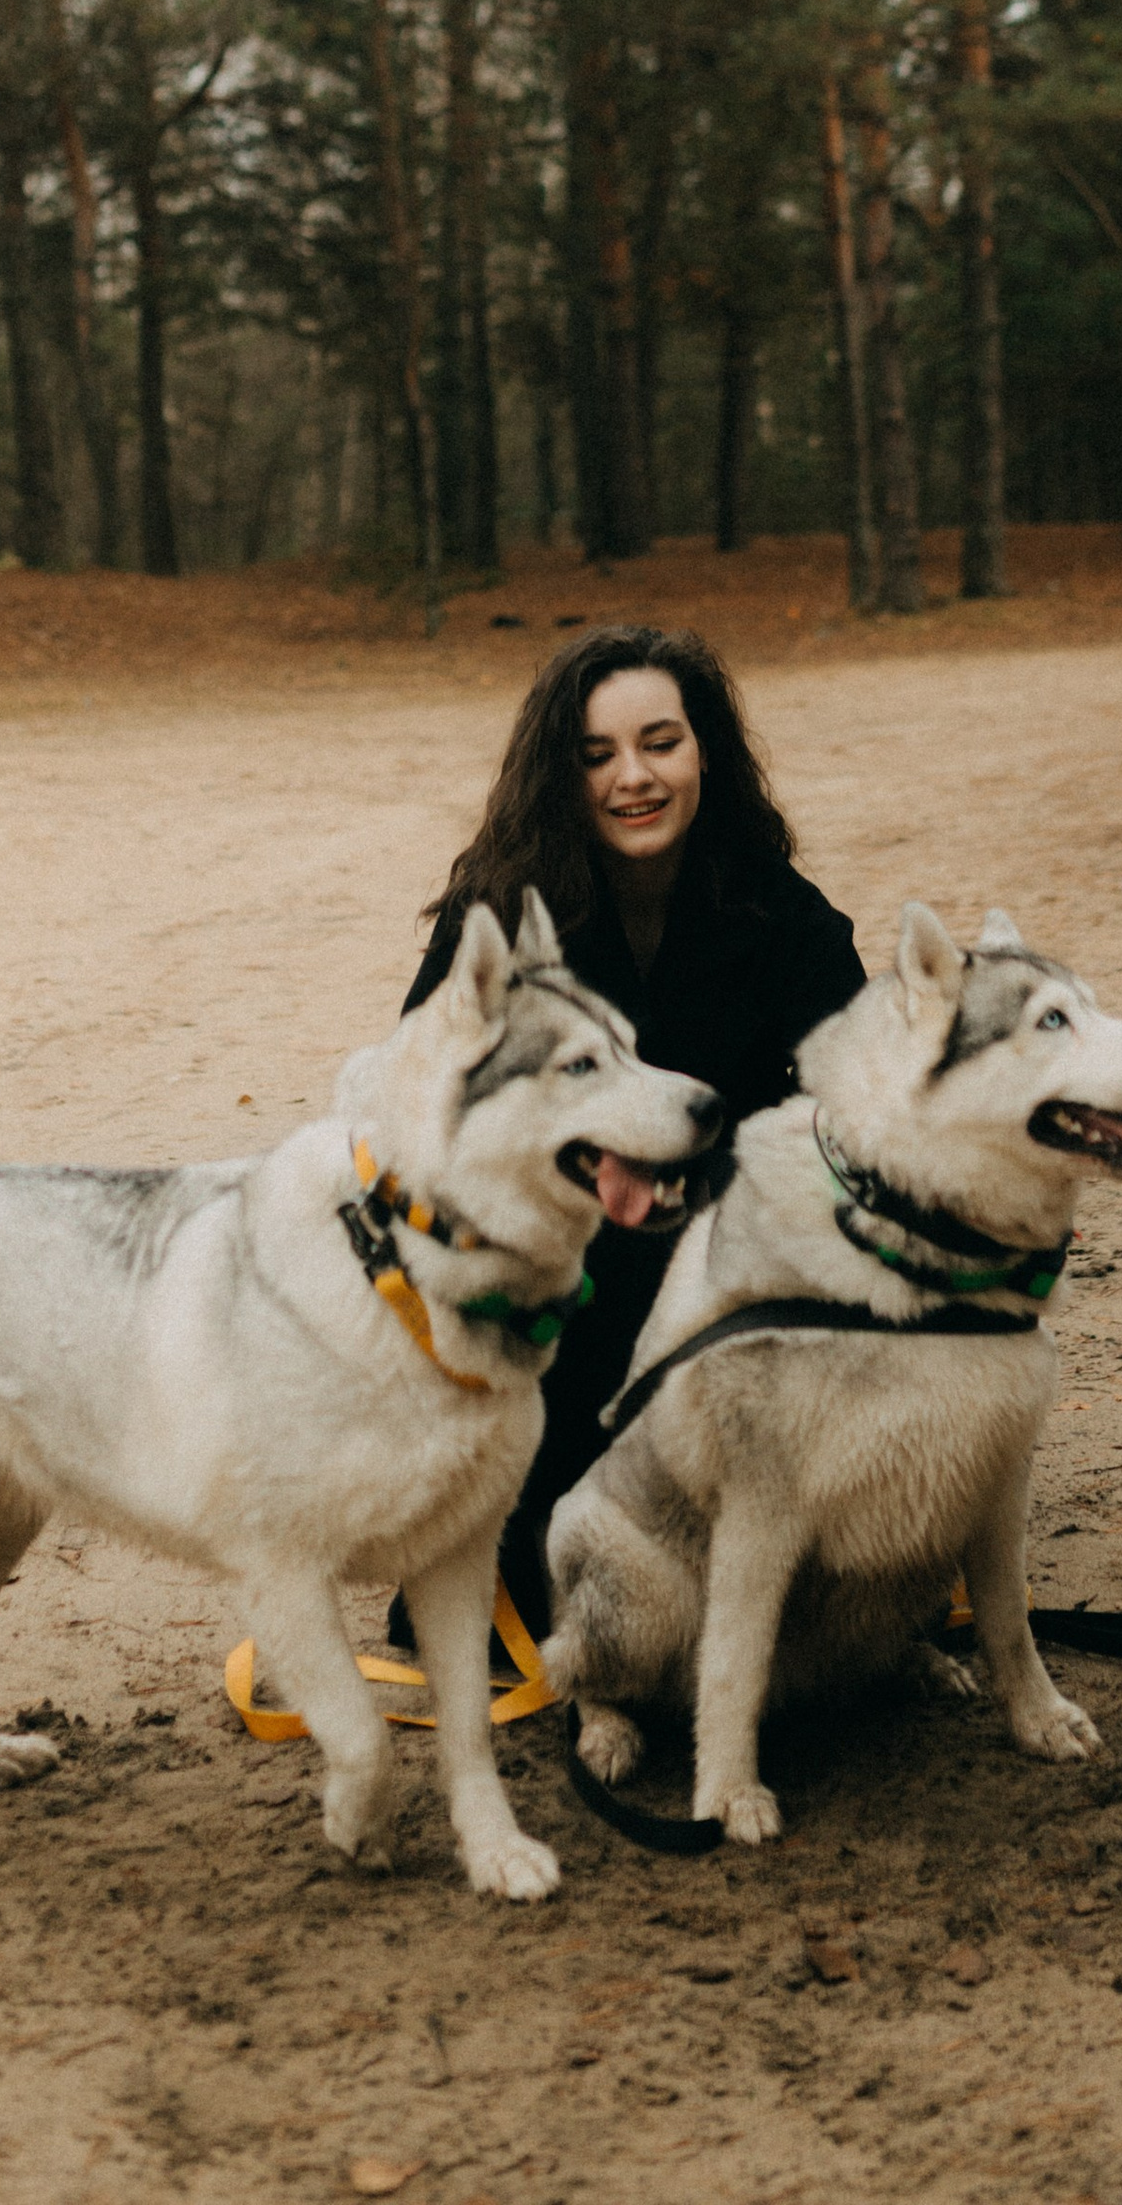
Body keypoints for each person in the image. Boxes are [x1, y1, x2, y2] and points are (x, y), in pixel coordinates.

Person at [397, 621, 865, 1636]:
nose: (631, 779)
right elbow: (421, 1094)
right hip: (548, 1273)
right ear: (558, 776)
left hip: (724, 1262)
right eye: (595, 755)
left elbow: (864, 1097)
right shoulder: (499, 906)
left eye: (660, 742)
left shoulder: (777, 907)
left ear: (706, 752)